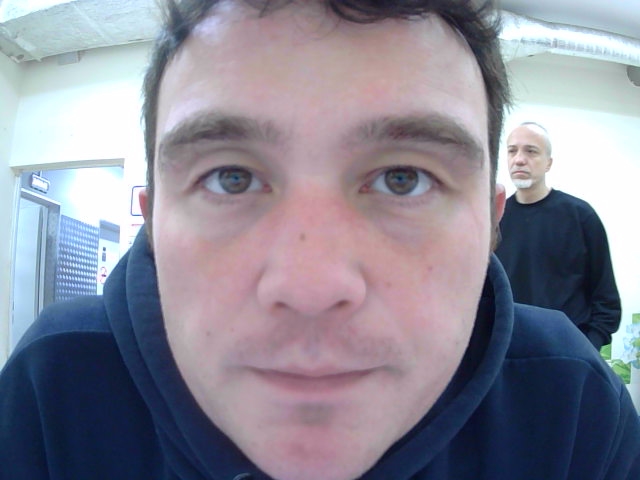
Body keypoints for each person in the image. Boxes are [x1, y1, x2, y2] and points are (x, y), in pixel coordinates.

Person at [1, 1, 638, 479]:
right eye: (230, 178)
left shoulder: (571, 407)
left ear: (491, 222)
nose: (310, 289)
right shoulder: (54, 387)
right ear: (153, 218)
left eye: (403, 178)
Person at [495, 122, 621, 351]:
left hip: (568, 352)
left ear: (548, 163)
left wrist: (586, 350)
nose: (519, 159)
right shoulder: (495, 218)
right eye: (512, 151)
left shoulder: (580, 216)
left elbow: (606, 300)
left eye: (531, 151)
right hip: (507, 353)